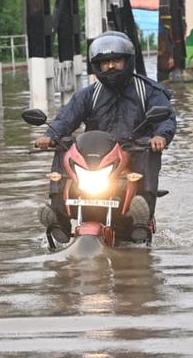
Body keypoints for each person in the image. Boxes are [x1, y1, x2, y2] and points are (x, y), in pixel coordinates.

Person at [34, 31, 177, 243]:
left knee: (150, 150)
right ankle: (59, 217)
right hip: (98, 156)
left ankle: (141, 218)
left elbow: (165, 118)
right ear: (96, 66)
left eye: (116, 61)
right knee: (63, 148)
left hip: (134, 153)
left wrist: (160, 137)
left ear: (127, 61)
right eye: (105, 62)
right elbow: (66, 118)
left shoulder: (147, 90)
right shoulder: (89, 94)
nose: (110, 66)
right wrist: (50, 135)